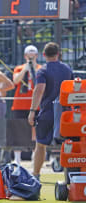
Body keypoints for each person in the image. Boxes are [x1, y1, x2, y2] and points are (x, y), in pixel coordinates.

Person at [28, 42, 73, 181]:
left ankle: (36, 175)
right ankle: (71, 174)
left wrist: (32, 110)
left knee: (40, 145)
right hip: (65, 112)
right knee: (68, 144)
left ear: (43, 55)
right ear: (58, 54)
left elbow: (39, 90)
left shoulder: (42, 70)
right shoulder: (67, 68)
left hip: (48, 111)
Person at [11, 45, 42, 165]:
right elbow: (16, 81)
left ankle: (36, 155)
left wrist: (34, 67)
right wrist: (25, 69)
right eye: (29, 55)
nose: (31, 57)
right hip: (20, 104)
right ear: (25, 56)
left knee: (36, 131)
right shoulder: (19, 68)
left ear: (37, 56)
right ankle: (17, 158)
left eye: (33, 55)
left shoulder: (40, 68)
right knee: (19, 131)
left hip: (35, 105)